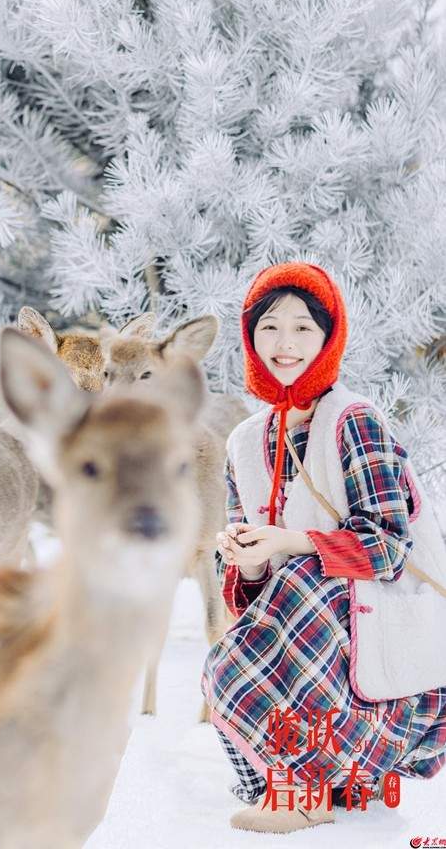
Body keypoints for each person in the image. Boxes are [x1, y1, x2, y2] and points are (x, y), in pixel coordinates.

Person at [200, 261, 446, 834]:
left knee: (303, 590)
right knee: (240, 645)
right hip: (308, 619)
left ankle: (310, 787)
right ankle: (327, 781)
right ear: (250, 336)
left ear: (329, 336)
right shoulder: (244, 440)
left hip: (373, 613)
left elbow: (386, 548)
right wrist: (246, 555)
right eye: (270, 327)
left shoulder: (355, 421)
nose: (285, 344)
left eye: (303, 327)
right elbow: (255, 579)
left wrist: (291, 541)